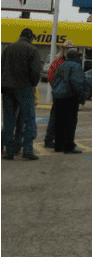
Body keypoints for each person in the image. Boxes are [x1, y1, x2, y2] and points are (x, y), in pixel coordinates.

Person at [1, 28, 43, 161]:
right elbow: (36, 71)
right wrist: (32, 83)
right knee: (28, 119)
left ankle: (9, 151)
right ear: (30, 37)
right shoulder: (32, 50)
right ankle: (27, 150)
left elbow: (2, 68)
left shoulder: (7, 49)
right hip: (24, 88)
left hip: (7, 89)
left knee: (9, 120)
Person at [51, 48, 90, 154]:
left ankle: (58, 145)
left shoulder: (61, 66)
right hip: (70, 98)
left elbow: (54, 81)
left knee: (59, 122)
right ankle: (68, 146)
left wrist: (55, 93)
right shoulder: (76, 67)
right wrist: (81, 98)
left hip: (58, 97)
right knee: (70, 122)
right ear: (77, 57)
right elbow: (77, 83)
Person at [43, 40, 77, 148]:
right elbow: (50, 76)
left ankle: (65, 140)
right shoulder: (58, 62)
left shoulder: (71, 62)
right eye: (68, 49)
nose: (69, 51)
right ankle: (49, 140)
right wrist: (58, 88)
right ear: (64, 49)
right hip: (60, 95)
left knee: (67, 120)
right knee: (55, 117)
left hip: (69, 95)